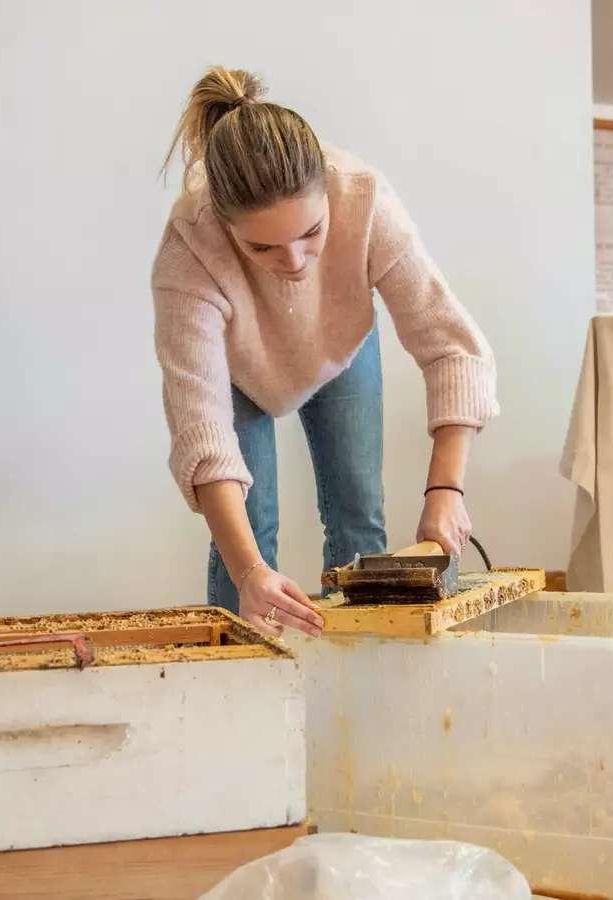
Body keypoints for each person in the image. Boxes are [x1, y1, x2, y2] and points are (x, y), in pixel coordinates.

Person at [151, 66, 498, 638]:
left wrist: (446, 491)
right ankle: (242, 685)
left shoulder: (363, 196)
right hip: (240, 369)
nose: (293, 263)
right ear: (225, 226)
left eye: (311, 233)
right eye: (262, 246)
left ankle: (363, 684)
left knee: (359, 514)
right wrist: (250, 572)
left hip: (341, 345)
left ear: (327, 195)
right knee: (249, 537)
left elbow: (454, 348)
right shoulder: (189, 250)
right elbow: (203, 435)